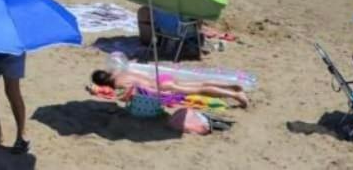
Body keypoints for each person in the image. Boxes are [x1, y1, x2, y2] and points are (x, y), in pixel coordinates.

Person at [90, 68, 249, 107]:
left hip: (163, 86)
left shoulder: (118, 84)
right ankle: (232, 87)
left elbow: (131, 91)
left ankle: (236, 95)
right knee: (202, 84)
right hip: (162, 77)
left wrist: (122, 97)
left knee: (200, 90)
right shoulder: (120, 72)